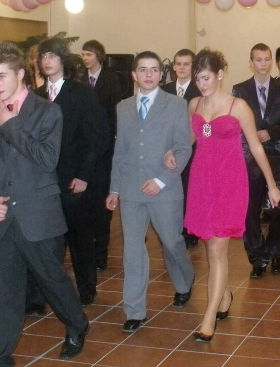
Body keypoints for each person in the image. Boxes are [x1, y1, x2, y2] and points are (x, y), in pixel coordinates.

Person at [0, 42, 88, 367]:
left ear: (20, 74)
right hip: (2, 220)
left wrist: (11, 125)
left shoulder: (48, 112)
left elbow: (47, 159)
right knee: (0, 296)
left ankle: (77, 322)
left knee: (52, 281)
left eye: (2, 76)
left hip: (38, 216)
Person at [184, 49, 280, 341]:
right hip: (202, 180)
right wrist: (170, 156)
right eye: (197, 79)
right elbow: (191, 140)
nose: (201, 84)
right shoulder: (194, 104)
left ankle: (208, 319)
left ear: (220, 74)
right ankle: (224, 295)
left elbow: (256, 147)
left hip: (229, 182)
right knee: (208, 242)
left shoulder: (238, 107)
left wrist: (272, 184)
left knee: (217, 247)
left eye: (206, 78)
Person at [105, 51, 195, 333]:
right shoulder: (123, 107)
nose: (149, 75)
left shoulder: (176, 105)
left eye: (154, 69)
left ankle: (185, 281)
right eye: (143, 70)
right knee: (132, 249)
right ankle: (134, 310)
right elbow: (120, 151)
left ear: (161, 74)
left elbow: (183, 147)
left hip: (164, 189)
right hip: (131, 189)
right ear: (134, 75)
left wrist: (161, 180)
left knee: (171, 242)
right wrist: (114, 188)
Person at [32, 36, 109, 307]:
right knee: (48, 242)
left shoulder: (82, 93)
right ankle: (47, 294)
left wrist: (84, 175)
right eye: (43, 56)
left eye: (52, 55)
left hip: (74, 179)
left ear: (63, 60)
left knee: (79, 239)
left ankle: (86, 289)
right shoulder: (36, 96)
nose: (47, 61)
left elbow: (97, 138)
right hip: (45, 181)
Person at [231, 43, 280, 278]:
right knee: (249, 209)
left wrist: (270, 133)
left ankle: (275, 249)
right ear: (251, 63)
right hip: (248, 154)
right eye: (258, 59)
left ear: (271, 61)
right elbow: (234, 124)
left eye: (266, 59)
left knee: (278, 207)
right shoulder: (240, 89)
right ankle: (258, 256)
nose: (263, 63)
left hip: (277, 153)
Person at [81, 39, 123, 271]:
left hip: (106, 147)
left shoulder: (111, 79)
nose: (85, 58)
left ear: (99, 55)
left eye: (89, 54)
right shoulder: (79, 79)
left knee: (102, 203)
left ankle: (101, 252)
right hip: (85, 146)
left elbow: (115, 112)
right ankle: (88, 250)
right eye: (83, 54)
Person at [161, 48, 202, 248]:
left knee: (189, 190)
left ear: (193, 68)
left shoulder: (200, 90)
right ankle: (170, 231)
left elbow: (203, 124)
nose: (182, 67)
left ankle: (189, 231)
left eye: (186, 64)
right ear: (173, 67)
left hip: (193, 149)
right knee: (168, 190)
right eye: (178, 64)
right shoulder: (164, 90)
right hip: (167, 148)